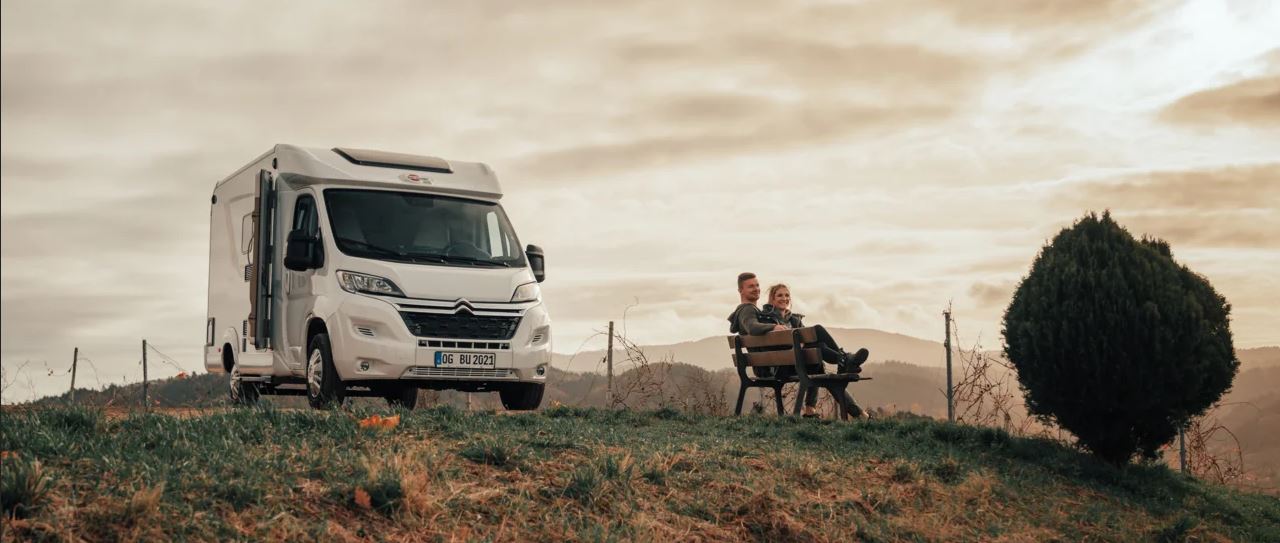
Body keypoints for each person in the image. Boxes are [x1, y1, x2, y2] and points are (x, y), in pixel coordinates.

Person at [728, 273, 870, 416]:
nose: (756, 288)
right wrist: (773, 327)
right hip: (777, 367)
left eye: (757, 285)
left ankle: (852, 407)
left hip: (779, 363)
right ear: (741, 290)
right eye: (751, 286)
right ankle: (845, 360)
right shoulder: (749, 310)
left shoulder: (756, 312)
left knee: (818, 358)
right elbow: (752, 327)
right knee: (818, 339)